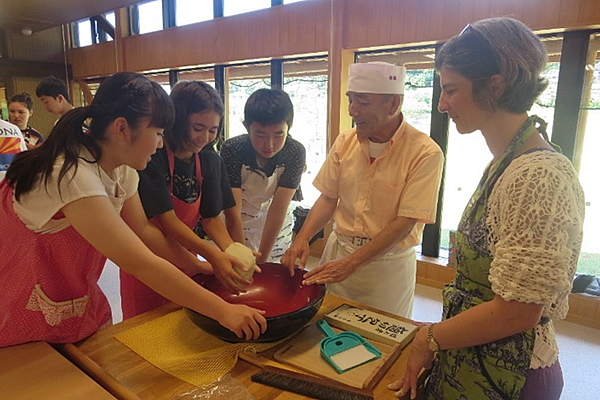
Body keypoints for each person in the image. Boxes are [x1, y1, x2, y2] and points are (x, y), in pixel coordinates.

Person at [388, 18, 585, 400]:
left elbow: (518, 312)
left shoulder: (538, 175)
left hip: (512, 373)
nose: (442, 105)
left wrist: (430, 337)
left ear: (495, 85)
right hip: (477, 357)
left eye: (451, 90)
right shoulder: (504, 163)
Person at [0, 72, 266, 348]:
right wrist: (223, 311)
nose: (161, 143)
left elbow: (144, 231)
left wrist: (199, 265)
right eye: (159, 134)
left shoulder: (123, 170)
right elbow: (139, 261)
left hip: (67, 289)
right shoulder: (73, 174)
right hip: (18, 290)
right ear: (122, 129)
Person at [281, 62, 444, 318]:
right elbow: (328, 198)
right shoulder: (345, 142)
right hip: (339, 252)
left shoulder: (425, 152)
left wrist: (351, 264)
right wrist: (301, 238)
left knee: (380, 341)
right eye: (350, 100)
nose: (352, 110)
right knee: (327, 328)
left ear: (393, 104)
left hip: (387, 266)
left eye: (363, 102)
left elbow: (405, 222)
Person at [121, 80, 255, 319]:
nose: (204, 137)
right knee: (145, 333)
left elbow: (212, 219)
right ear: (178, 120)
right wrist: (212, 257)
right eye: (197, 128)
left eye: (212, 130)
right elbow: (168, 221)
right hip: (147, 258)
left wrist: (235, 255)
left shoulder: (210, 160)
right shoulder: (152, 155)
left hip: (187, 257)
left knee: (185, 326)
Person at [221, 88, 306, 263]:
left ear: (288, 127)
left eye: (278, 135)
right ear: (246, 126)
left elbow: (278, 208)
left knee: (270, 274)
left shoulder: (295, 151)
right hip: (238, 225)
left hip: (276, 229)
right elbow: (233, 210)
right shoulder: (232, 149)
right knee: (238, 270)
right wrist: (242, 256)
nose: (269, 144)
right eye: (260, 134)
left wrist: (262, 260)